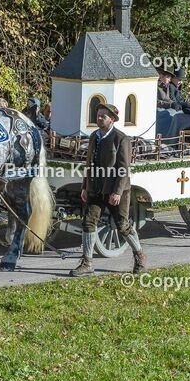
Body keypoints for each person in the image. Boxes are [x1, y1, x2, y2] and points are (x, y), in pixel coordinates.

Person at [70, 103, 146, 277]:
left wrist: (118, 192)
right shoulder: (93, 137)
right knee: (89, 222)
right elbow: (88, 163)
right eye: (98, 115)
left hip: (115, 190)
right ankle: (87, 263)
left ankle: (140, 256)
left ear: (112, 119)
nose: (99, 118)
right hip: (95, 188)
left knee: (122, 225)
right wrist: (84, 186)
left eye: (103, 116)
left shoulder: (121, 139)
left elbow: (124, 168)